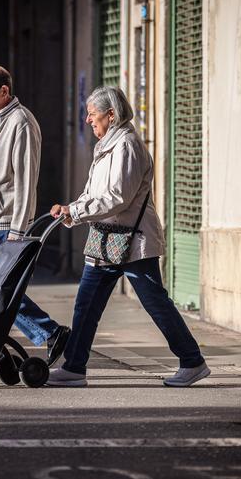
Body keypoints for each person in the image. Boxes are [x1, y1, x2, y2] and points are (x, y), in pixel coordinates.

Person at [47, 86, 210, 387]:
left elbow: (117, 198)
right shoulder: (107, 146)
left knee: (155, 302)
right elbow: (93, 193)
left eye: (92, 114)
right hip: (106, 240)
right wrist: (72, 210)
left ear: (111, 115)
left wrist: (77, 211)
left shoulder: (127, 146)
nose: (87, 120)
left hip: (133, 242)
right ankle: (74, 367)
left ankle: (192, 361)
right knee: (87, 304)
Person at [0, 64, 70, 365]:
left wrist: (18, 230)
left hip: (6, 225)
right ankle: (8, 348)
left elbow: (25, 182)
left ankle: (45, 335)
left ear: (3, 91)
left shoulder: (21, 122)